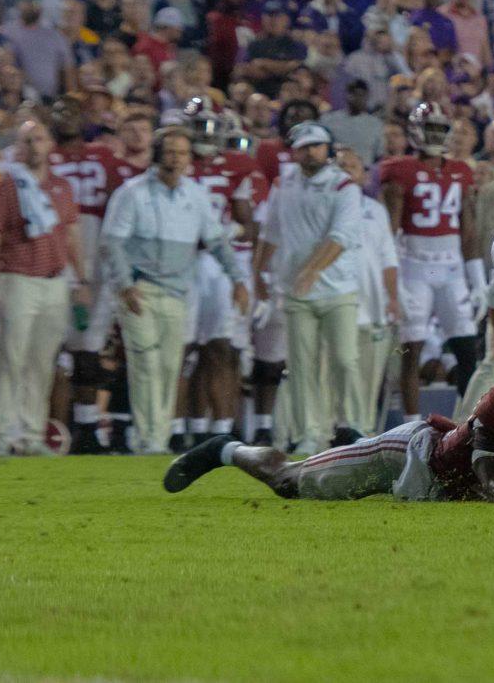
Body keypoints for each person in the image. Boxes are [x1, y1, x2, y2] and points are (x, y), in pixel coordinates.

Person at [163, 381, 494, 505]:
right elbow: (493, 488)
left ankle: (353, 441)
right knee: (291, 482)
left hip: (438, 487)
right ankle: (224, 448)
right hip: (413, 459)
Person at [100, 126, 248, 453]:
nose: (176, 159)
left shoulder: (194, 196)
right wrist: (125, 286)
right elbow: (113, 242)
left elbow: (217, 241)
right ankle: (147, 437)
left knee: (169, 366)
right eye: (169, 152)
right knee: (146, 364)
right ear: (157, 155)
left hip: (177, 292)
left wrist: (237, 279)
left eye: (181, 153)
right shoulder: (133, 192)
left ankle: (159, 435)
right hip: (140, 289)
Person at [254, 122, 363, 455]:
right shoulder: (282, 185)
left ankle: (352, 425)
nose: (311, 151)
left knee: (345, 360)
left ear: (327, 149)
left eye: (317, 146)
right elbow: (270, 233)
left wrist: (312, 270)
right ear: (295, 152)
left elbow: (340, 237)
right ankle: (308, 433)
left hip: (337, 288)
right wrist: (257, 272)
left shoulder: (344, 186)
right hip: (296, 291)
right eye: (305, 147)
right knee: (301, 366)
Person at [0, 120, 87, 456]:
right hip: (18, 278)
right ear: (20, 147)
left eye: (39, 138)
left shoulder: (62, 186)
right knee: (10, 359)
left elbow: (71, 236)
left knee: (42, 362)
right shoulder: (8, 185)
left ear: (50, 144)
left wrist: (81, 278)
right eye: (27, 140)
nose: (34, 146)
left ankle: (30, 435)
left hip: (54, 282)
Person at [46, 96, 141, 453]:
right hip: (51, 254)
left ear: (85, 116)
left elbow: (131, 199)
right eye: (57, 111)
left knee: (88, 347)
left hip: (96, 259)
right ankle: (49, 426)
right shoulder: (40, 154)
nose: (65, 116)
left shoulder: (103, 156)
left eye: (72, 110)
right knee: (49, 349)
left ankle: (86, 427)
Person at [378, 102, 484, 420]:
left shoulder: (462, 171)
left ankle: (467, 422)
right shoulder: (399, 169)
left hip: (450, 266)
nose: (435, 135)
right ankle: (412, 427)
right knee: (413, 351)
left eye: (440, 128)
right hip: (414, 266)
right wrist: (390, 281)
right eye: (430, 128)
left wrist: (476, 279)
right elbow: (390, 230)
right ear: (415, 131)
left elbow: (468, 230)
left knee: (466, 350)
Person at [180, 98, 263, 449]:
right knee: (184, 351)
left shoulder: (236, 166)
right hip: (180, 261)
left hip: (216, 263)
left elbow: (249, 225)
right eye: (197, 127)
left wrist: (223, 235)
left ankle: (220, 429)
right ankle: (182, 428)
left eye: (208, 128)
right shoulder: (173, 164)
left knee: (220, 348)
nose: (203, 135)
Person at [336, 146, 399, 435]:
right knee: (336, 369)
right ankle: (332, 430)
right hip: (336, 300)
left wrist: (392, 298)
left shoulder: (375, 211)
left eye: (351, 167)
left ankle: (364, 432)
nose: (345, 172)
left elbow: (388, 257)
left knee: (369, 375)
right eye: (340, 167)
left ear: (363, 176)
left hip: (372, 303)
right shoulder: (325, 204)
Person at [320, 79, 384, 165]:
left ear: (367, 97)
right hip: (336, 171)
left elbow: (380, 154)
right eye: (354, 94)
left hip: (365, 171)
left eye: (362, 95)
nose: (358, 99)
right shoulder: (328, 120)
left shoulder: (376, 124)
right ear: (346, 95)